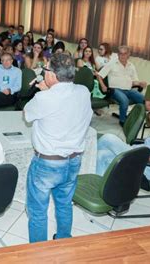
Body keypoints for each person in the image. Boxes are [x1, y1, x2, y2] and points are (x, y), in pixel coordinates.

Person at [24, 53, 93, 242]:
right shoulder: (84, 92)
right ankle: (63, 240)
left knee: (38, 211)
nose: (44, 72)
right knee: (64, 204)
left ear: (52, 75)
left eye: (45, 69)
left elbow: (27, 114)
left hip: (47, 163)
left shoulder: (44, 98)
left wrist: (44, 92)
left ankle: (39, 250)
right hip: (73, 160)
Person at [97, 45, 147, 126]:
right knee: (125, 100)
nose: (123, 56)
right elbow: (99, 75)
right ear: (118, 54)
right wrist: (103, 86)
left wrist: (140, 83)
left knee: (144, 99)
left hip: (128, 90)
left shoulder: (131, 66)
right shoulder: (112, 63)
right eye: (121, 53)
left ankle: (137, 118)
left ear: (128, 54)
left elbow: (134, 82)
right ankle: (122, 121)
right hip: (115, 90)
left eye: (125, 53)